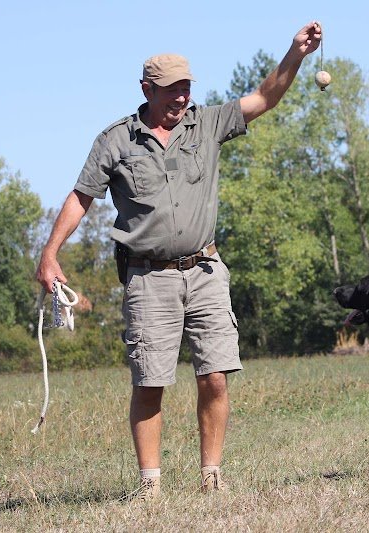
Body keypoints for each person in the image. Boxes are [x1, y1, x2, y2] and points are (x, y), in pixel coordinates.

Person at [35, 21, 322, 499]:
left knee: (215, 375)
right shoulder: (116, 141)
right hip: (148, 278)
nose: (181, 98)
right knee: (150, 381)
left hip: (206, 270)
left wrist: (295, 53)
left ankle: (211, 475)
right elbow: (81, 197)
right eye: (171, 90)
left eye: (186, 88)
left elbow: (265, 97)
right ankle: (151, 486)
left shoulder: (207, 124)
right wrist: (50, 254)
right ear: (146, 89)